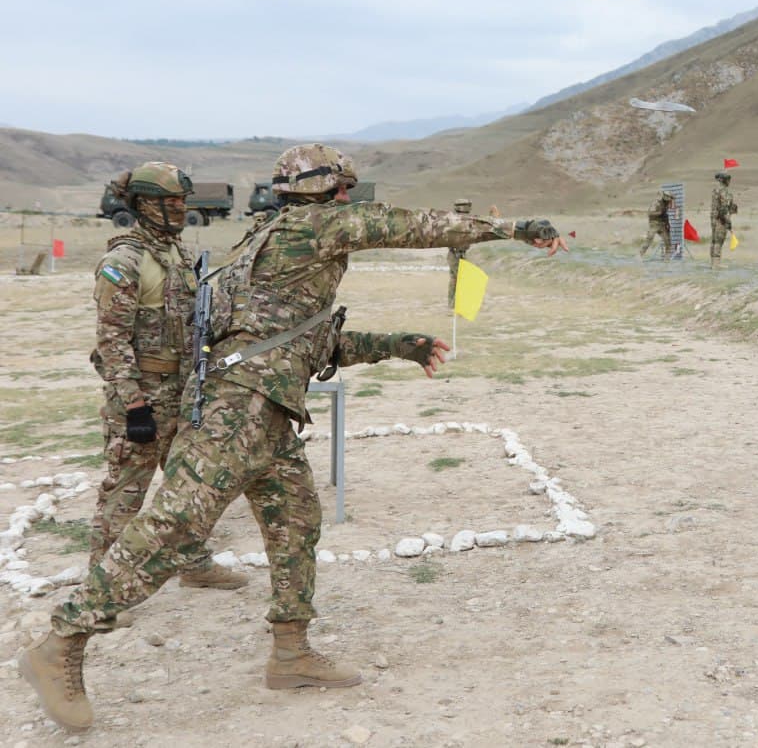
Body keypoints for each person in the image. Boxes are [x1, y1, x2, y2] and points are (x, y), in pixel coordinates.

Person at [21, 144, 568, 732]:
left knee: (296, 521)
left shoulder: (271, 241)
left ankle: (291, 652)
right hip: (239, 411)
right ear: (319, 192)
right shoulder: (312, 226)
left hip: (267, 410)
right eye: (341, 189)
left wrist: (395, 346)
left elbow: (303, 342)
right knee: (173, 529)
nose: (347, 199)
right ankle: (62, 640)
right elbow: (406, 225)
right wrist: (514, 229)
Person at [90, 164, 248, 598]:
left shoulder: (175, 253)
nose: (180, 208)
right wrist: (134, 405)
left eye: (182, 201)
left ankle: (193, 564)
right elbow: (111, 341)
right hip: (143, 395)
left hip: (182, 390)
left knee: (187, 485)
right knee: (125, 492)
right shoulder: (124, 261)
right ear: (144, 205)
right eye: (170, 202)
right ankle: (102, 589)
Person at [446, 198, 472, 307]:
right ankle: (456, 304)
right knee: (460, 279)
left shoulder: (453, 220)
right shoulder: (459, 221)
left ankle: (453, 304)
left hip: (455, 254)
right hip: (456, 254)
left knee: (455, 279)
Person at [709, 172, 737, 267]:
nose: (729, 182)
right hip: (721, 220)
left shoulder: (715, 190)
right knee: (719, 241)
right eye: (728, 180)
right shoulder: (724, 191)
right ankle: (716, 264)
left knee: (714, 241)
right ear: (725, 180)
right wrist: (728, 221)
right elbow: (724, 208)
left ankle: (713, 263)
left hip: (714, 219)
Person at [639, 190, 675, 260]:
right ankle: (640, 255)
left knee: (668, 242)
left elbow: (665, 215)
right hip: (654, 224)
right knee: (649, 240)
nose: (670, 200)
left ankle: (666, 259)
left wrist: (668, 224)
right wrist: (659, 213)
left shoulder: (666, 204)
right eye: (669, 198)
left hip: (662, 225)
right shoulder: (656, 203)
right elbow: (649, 213)